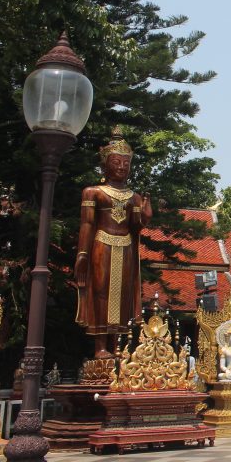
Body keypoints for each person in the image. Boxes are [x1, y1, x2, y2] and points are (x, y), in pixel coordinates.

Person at [75, 128, 152, 359]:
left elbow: (137, 226)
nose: (121, 167)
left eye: (126, 164)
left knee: (122, 294)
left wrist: (146, 212)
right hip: (102, 244)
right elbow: (87, 224)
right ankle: (100, 346)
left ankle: (117, 345)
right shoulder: (93, 192)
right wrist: (82, 253)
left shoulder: (134, 197)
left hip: (126, 246)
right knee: (101, 293)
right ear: (105, 165)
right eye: (116, 162)